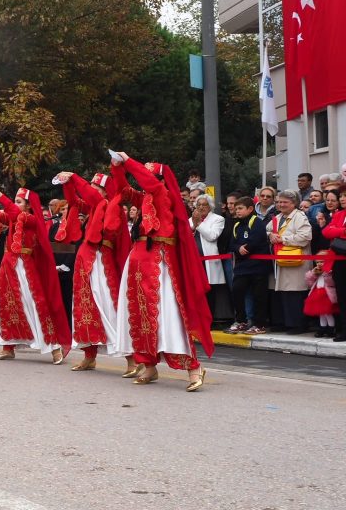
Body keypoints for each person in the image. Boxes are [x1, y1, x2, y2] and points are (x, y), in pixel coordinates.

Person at [110, 152, 213, 391]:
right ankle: (148, 365)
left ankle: (193, 367)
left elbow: (150, 183)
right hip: (138, 259)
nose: (143, 177)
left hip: (159, 260)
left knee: (167, 314)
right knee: (139, 312)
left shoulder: (162, 193)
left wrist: (128, 162)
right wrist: (117, 167)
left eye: (148, 172)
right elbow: (124, 190)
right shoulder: (145, 197)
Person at [55, 171, 137, 376]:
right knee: (85, 306)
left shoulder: (110, 205)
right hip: (86, 258)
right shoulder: (94, 206)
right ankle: (89, 356)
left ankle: (131, 358)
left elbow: (89, 196)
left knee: (108, 306)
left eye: (95, 186)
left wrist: (74, 177)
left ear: (105, 190)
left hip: (102, 259)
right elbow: (73, 200)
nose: (91, 189)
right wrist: (67, 183)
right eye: (90, 185)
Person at [0, 185, 71, 364]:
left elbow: (14, 212)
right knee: (6, 303)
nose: (15, 204)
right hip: (8, 264)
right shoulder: (12, 216)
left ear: (28, 205)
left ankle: (53, 347)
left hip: (24, 265)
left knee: (34, 303)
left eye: (19, 201)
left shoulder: (30, 218)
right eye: (15, 201)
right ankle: (8, 347)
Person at [267, 190, 312, 335]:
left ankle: (298, 325)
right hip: (281, 260)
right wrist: (270, 235)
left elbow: (305, 237)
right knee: (283, 293)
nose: (281, 204)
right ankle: (284, 323)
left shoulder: (299, 216)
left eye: (285, 202)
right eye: (279, 202)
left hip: (296, 261)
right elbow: (267, 231)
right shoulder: (278, 217)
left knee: (295, 293)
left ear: (294, 203)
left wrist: (283, 239)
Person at [228, 196, 271, 335]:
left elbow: (256, 240)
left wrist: (244, 249)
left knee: (259, 296)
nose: (237, 211)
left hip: (258, 266)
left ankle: (259, 324)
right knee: (237, 291)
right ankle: (241, 321)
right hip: (242, 266)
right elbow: (232, 244)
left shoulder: (256, 222)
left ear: (250, 209)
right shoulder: (236, 225)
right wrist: (238, 248)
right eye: (236, 209)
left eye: (240, 208)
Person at [190, 194, 227, 323]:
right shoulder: (190, 219)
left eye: (204, 205)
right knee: (195, 291)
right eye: (198, 205)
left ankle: (208, 320)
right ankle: (197, 319)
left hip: (209, 261)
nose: (201, 207)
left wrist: (198, 224)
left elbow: (212, 236)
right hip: (193, 261)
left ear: (210, 206)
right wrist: (193, 226)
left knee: (209, 292)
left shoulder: (218, 219)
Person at [322, 205, 346, 342]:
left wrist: (337, 232)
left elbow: (332, 232)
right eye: (341, 196)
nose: (343, 199)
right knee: (342, 297)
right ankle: (344, 330)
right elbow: (327, 232)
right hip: (339, 261)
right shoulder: (339, 214)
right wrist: (343, 231)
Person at [304, 251, 337, 338]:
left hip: (326, 295)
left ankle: (331, 329)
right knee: (321, 313)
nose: (319, 264)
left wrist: (326, 273)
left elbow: (332, 283)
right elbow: (309, 282)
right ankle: (322, 328)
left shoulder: (330, 271)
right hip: (317, 294)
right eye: (317, 262)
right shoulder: (317, 271)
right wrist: (313, 273)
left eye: (322, 261)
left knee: (327, 313)